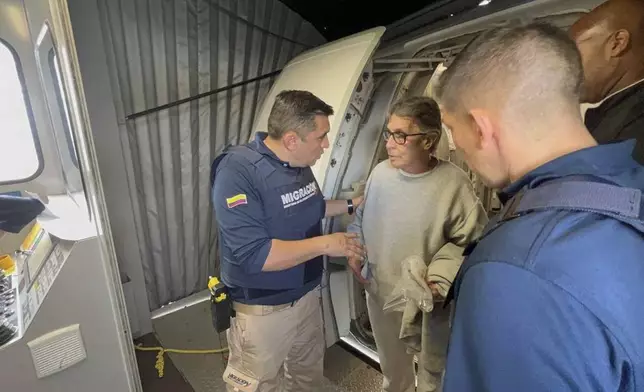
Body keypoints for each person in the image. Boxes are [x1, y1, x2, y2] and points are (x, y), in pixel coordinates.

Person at [435, 23, 644, 391]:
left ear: (481, 128)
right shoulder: (630, 182)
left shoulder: (513, 274)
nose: (457, 147)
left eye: (453, 129)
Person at [211, 90, 365, 391]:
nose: (326, 144)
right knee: (261, 384)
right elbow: (256, 255)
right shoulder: (237, 172)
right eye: (321, 137)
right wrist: (326, 244)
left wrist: (351, 204)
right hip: (264, 311)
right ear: (292, 139)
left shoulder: (298, 164)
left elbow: (312, 206)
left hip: (307, 298)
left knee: (307, 377)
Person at [346, 96, 488, 392]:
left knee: (433, 374)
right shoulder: (380, 175)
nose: (389, 144)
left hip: (428, 306)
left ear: (429, 140)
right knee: (394, 372)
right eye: (389, 133)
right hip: (381, 295)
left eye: (400, 135)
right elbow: (361, 218)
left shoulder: (454, 184)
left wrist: (440, 279)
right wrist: (355, 251)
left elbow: (473, 242)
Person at [570, 0, 644, 163]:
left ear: (617, 44)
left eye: (572, 52)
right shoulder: (622, 113)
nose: (567, 66)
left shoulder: (635, 123)